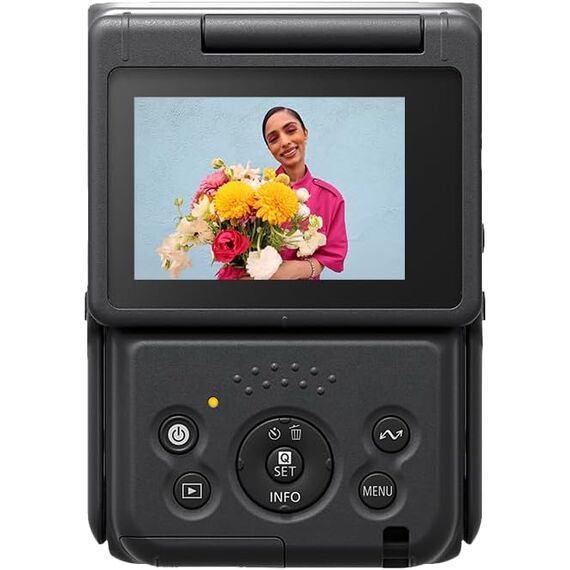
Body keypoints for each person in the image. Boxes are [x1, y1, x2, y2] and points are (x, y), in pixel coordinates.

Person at [262, 106, 348, 280]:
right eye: (274, 139)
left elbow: (332, 254)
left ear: (305, 133)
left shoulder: (330, 198)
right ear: (270, 149)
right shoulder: (256, 194)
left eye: (291, 130)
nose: (285, 142)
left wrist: (299, 269)